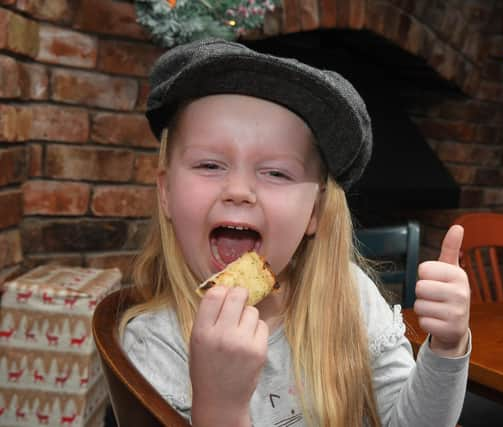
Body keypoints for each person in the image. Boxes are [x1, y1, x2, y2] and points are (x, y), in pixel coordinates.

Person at [120, 38, 471, 427]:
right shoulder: (154, 345)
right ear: (166, 192)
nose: (238, 190)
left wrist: (447, 348)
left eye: (276, 172)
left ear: (314, 212)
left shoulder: (349, 297)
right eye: (209, 165)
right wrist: (220, 406)